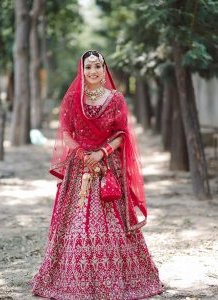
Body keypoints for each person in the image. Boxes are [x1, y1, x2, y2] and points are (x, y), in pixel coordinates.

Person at [30, 50, 164, 299]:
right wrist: (82, 154)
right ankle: (71, 281)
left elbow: (122, 134)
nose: (93, 71)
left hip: (107, 169)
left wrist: (101, 153)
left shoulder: (116, 99)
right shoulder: (72, 99)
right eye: (88, 67)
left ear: (104, 69)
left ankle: (118, 279)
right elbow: (66, 133)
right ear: (82, 71)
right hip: (79, 168)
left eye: (97, 66)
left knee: (111, 225)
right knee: (77, 226)